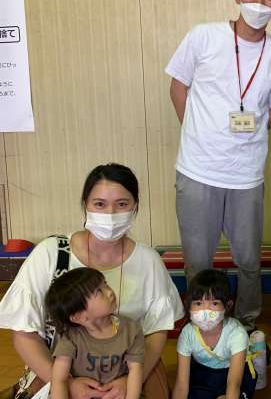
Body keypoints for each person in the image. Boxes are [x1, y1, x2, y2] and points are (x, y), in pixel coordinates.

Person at [166, 0, 271, 330]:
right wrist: (197, 131)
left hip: (246, 175)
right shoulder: (203, 36)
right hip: (197, 170)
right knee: (197, 260)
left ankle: (248, 322)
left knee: (249, 260)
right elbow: (178, 87)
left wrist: (250, 131)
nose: (259, 2)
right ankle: (202, 324)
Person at [0, 163, 183, 399]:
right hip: (58, 369)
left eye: (122, 204)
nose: (110, 214)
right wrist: (66, 383)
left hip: (130, 370)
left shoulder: (149, 261)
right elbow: (24, 335)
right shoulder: (51, 253)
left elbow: (156, 331)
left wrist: (130, 381)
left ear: (135, 206)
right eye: (100, 204)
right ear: (85, 205)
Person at [46, 268, 144, 399]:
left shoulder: (131, 330)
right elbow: (59, 379)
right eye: (99, 291)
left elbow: (135, 370)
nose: (109, 292)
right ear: (79, 316)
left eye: (105, 284)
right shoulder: (71, 337)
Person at [173, 269, 257, 399]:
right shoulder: (187, 334)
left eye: (214, 303)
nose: (205, 310)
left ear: (228, 306)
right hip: (204, 373)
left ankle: (259, 351)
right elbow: (181, 384)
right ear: (188, 306)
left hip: (234, 373)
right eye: (198, 303)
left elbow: (233, 384)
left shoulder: (237, 334)